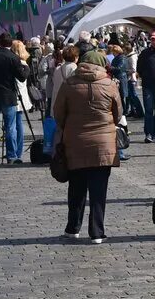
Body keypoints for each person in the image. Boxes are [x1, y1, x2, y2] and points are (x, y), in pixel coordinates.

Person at [52, 48, 121, 243]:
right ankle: (97, 232)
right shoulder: (109, 84)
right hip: (103, 144)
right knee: (99, 190)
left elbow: (58, 113)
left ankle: (73, 227)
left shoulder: (69, 84)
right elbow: (118, 113)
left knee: (76, 187)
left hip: (75, 142)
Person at [0, 32, 30, 165]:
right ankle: (11, 156)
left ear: (0, 42)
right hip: (8, 95)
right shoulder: (13, 57)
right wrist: (26, 68)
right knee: (10, 127)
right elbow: (21, 76)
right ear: (10, 43)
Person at [46, 45, 79, 149]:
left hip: (57, 102)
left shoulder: (58, 69)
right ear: (75, 57)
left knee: (60, 129)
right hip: (70, 102)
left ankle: (59, 150)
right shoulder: (75, 69)